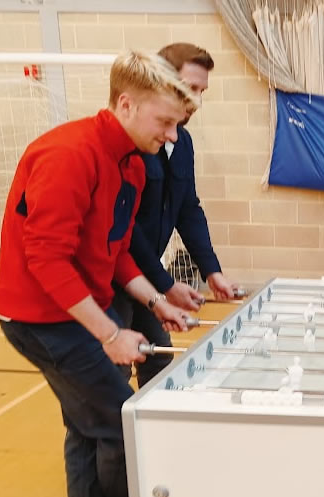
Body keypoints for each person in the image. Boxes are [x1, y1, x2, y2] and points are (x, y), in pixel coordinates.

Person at [0, 50, 197, 497]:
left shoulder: (128, 162)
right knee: (117, 420)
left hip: (66, 316)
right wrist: (109, 334)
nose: (172, 136)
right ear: (125, 105)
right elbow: (47, 260)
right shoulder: (69, 154)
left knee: (86, 425)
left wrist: (157, 300)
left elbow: (114, 249)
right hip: (42, 321)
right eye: (165, 122)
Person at [112, 42, 238, 388]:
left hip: (148, 276)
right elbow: (127, 230)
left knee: (159, 357)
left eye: (202, 91)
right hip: (115, 281)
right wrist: (166, 285)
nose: (196, 100)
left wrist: (212, 270)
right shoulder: (131, 145)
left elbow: (188, 208)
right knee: (114, 377)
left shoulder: (181, 143)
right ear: (162, 81)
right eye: (191, 88)